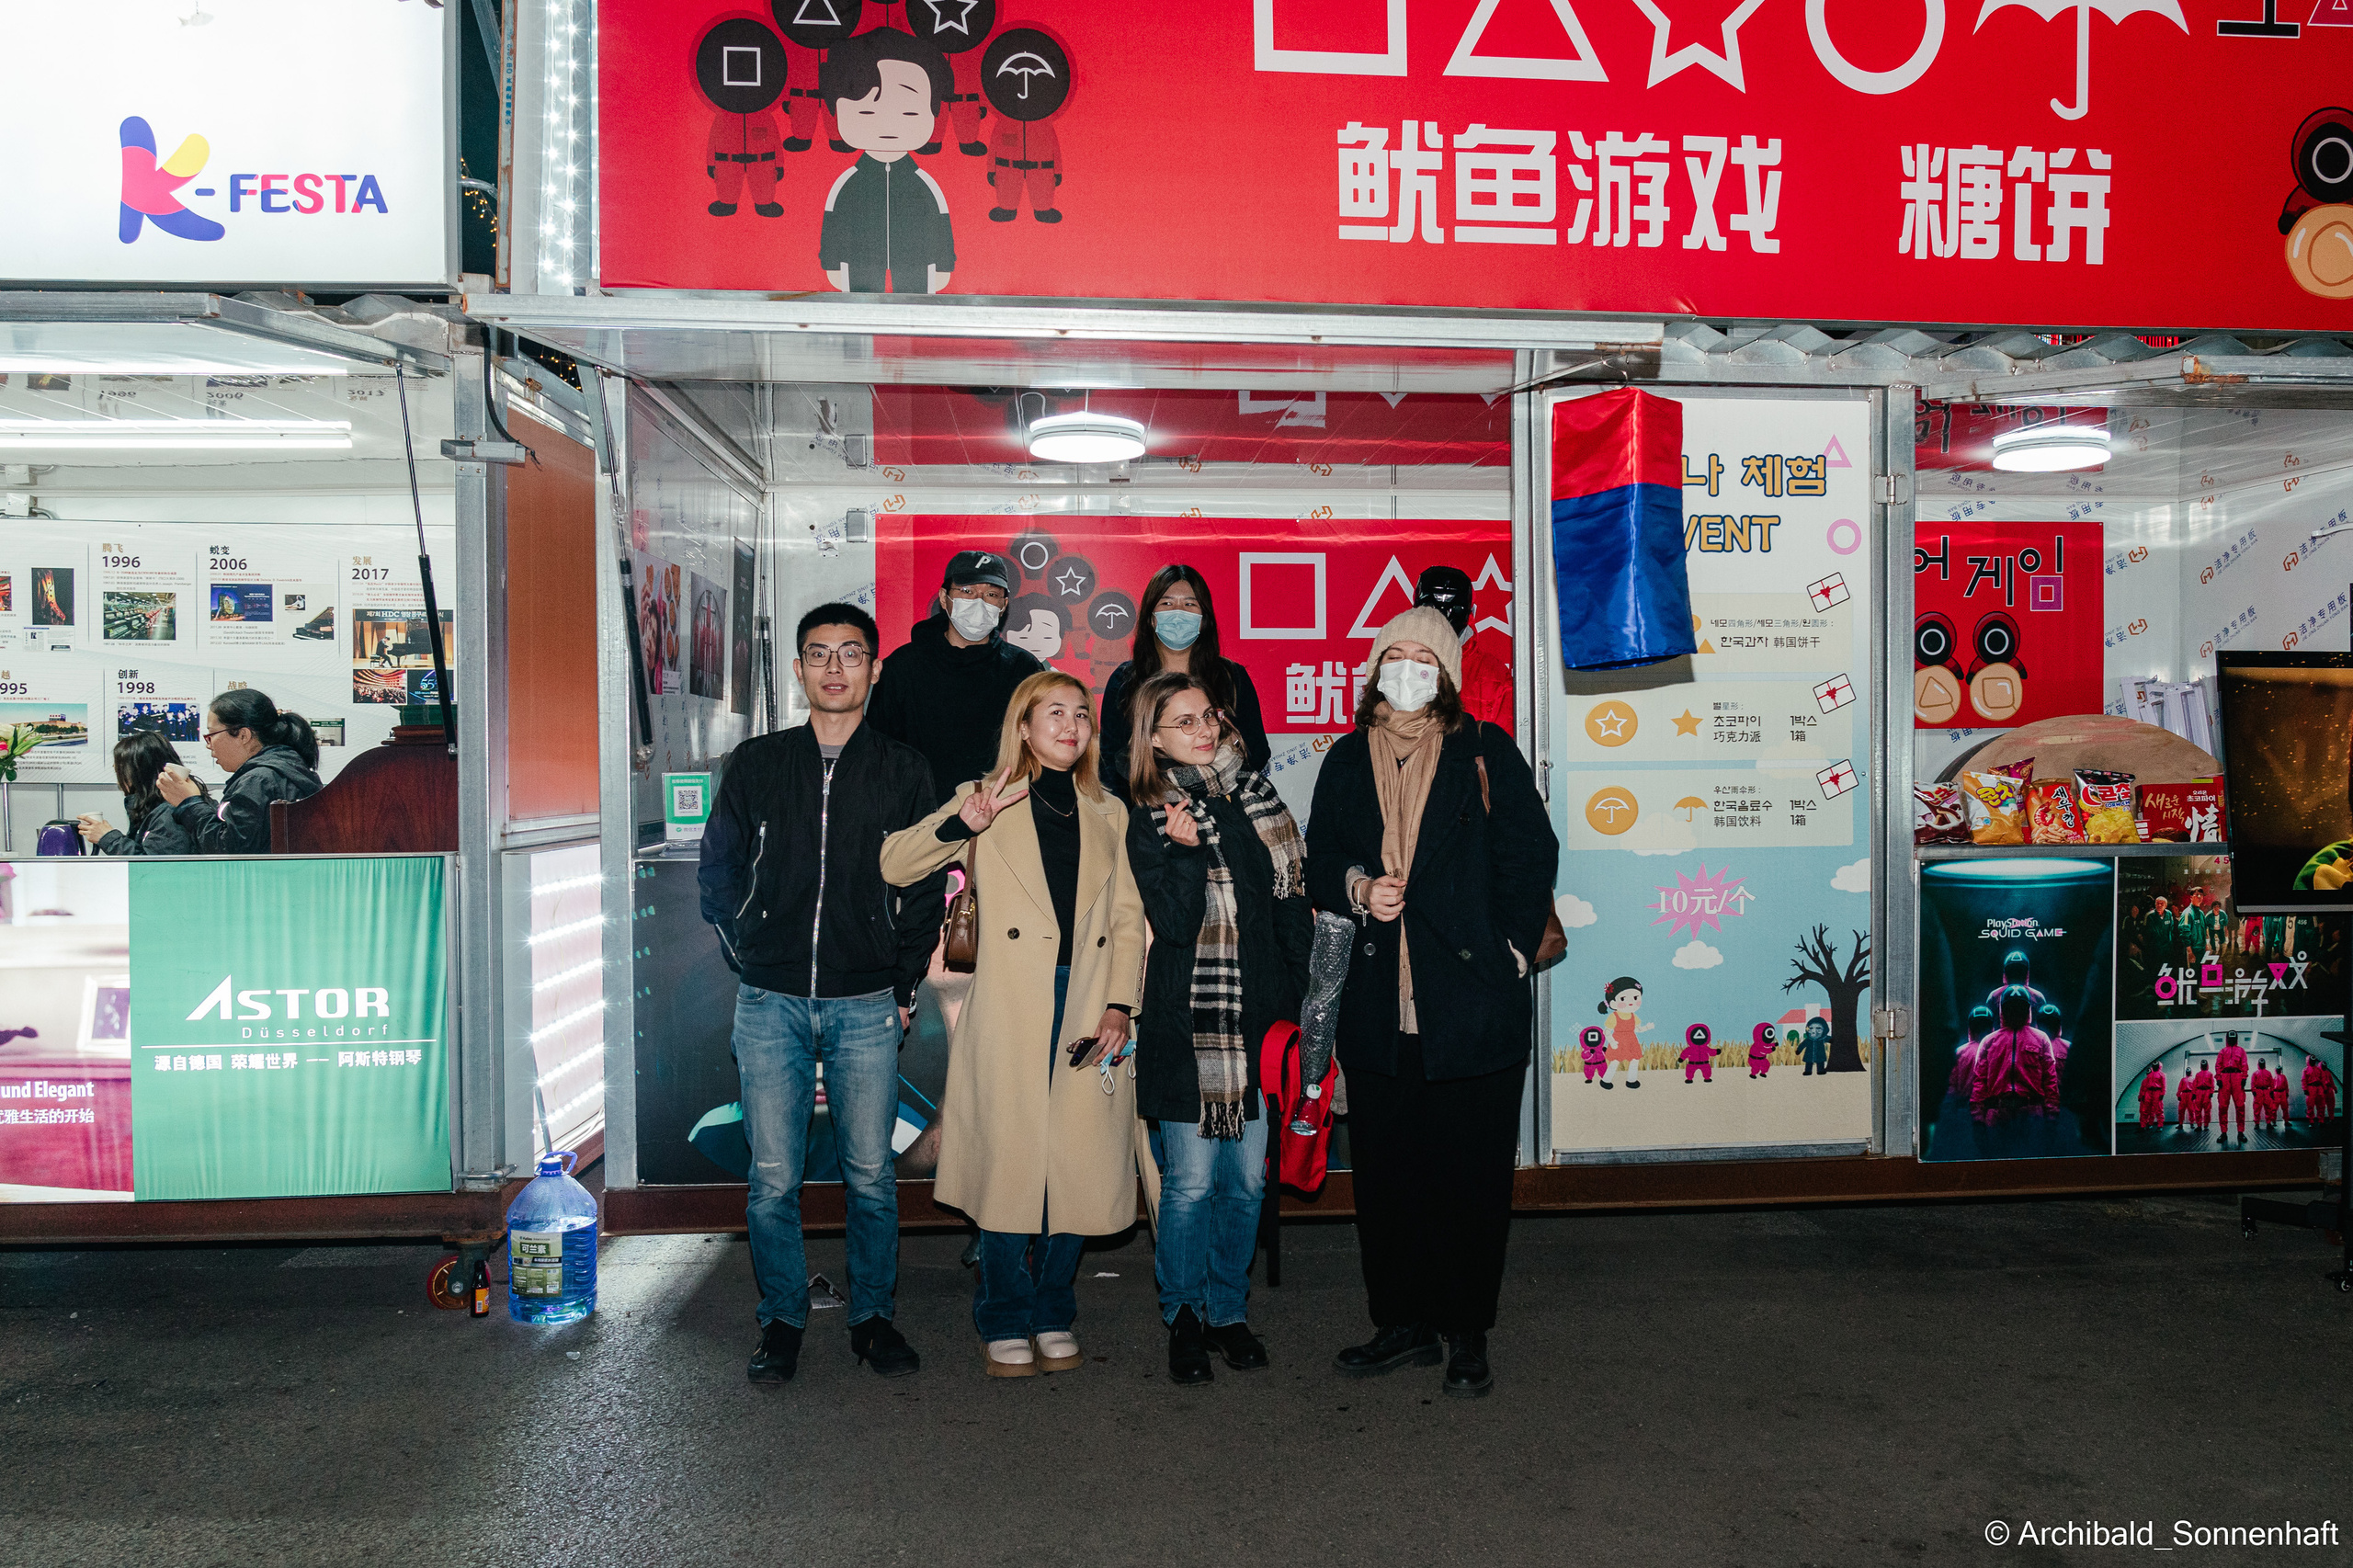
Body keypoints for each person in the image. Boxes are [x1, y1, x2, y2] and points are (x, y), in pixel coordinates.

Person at [1305, 607, 1558, 1399]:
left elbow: (1531, 852)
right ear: (1375, 666)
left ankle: (1467, 1330)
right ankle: (1402, 1322)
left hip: (1471, 1005)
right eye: (1395, 655)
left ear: (1445, 674)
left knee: (1472, 1178)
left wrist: (1511, 952)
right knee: (1388, 1176)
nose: (1407, 669)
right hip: (1381, 1006)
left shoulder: (1484, 750)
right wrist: (1356, 885)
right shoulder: (1346, 760)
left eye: (1424, 657)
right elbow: (1320, 859)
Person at [699, 604, 943, 1385]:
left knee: (870, 1174)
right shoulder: (758, 763)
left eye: (851, 654)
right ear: (798, 671)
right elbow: (718, 873)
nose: (835, 668)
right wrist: (752, 952)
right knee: (773, 1178)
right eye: (819, 655)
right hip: (769, 1003)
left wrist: (901, 984)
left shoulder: (905, 770)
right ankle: (781, 1323)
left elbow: (925, 888)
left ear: (874, 668)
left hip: (866, 1002)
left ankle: (872, 1318)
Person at [880, 671, 1146, 1379]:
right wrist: (959, 825)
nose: (1070, 724)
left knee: (1076, 1167)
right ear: (1023, 727)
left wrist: (1121, 1003)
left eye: (1081, 714)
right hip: (1010, 1007)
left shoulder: (1108, 813)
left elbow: (1125, 922)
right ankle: (1002, 1312)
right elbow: (896, 862)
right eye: (1052, 712)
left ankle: (1054, 1307)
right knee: (1012, 1164)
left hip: (1087, 1003)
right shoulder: (986, 800)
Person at [1124, 670, 1311, 1385]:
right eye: (1184, 722)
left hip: (1264, 1027)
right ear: (1155, 738)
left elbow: (1292, 908)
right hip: (1188, 1028)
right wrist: (1180, 851)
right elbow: (1171, 926)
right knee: (1191, 1186)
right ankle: (1184, 1316)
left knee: (1246, 1187)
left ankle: (1229, 1311)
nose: (1204, 730)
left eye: (1209, 716)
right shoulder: (1150, 812)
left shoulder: (1260, 798)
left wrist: (1301, 1015)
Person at [868, 549, 1048, 805]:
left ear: (1004, 605)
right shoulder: (902, 667)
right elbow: (879, 751)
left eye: (991, 595)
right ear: (944, 598)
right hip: (922, 819)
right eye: (967, 591)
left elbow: (1039, 751)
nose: (979, 601)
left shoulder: (1023, 669)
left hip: (1002, 816)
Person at [1097, 564, 1270, 802]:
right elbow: (1110, 760)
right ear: (1151, 619)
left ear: (1203, 619)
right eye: (1167, 604)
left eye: (1190, 604)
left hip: (1223, 805)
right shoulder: (1125, 681)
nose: (1178, 613)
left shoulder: (1231, 676)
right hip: (1148, 806)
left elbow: (1257, 752)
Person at [817, 28, 956, 293]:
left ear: (933, 113)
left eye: (910, 112)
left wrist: (943, 264)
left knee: (917, 311)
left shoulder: (923, 182)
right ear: (836, 110)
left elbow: (940, 220)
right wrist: (831, 262)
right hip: (858, 260)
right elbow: (834, 219)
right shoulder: (848, 181)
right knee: (858, 312)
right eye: (866, 111)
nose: (888, 126)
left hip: (916, 260)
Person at [153, 689, 320, 854]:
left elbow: (230, 854)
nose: (208, 744)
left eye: (211, 734)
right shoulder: (286, 770)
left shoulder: (258, 781)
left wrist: (189, 803)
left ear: (243, 735)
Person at [1414, 565, 1512, 730]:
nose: (1443, 615)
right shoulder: (1396, 667)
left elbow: (1503, 747)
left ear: (1470, 612)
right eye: (1431, 606)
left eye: (1455, 608)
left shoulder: (1494, 677)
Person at [78, 731, 206, 855]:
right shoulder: (157, 807)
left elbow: (154, 868)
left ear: (138, 773)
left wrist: (108, 838)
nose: (119, 782)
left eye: (119, 772)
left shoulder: (171, 813)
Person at [2214, 1029, 2249, 1143]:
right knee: (2223, 1106)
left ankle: (2241, 1132)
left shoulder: (2241, 1051)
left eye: (2233, 1038)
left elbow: (2244, 1064)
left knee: (2240, 1106)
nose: (2232, 1040)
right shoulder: (2222, 1051)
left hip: (2237, 1077)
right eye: (2230, 1038)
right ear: (2227, 1039)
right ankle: (2223, 1132)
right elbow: (2218, 1065)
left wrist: (2244, 1077)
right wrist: (2218, 1078)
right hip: (2224, 1078)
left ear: (2236, 1039)